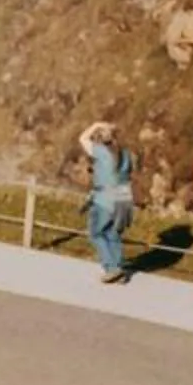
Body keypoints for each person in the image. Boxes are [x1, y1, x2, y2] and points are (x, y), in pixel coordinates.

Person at [80, 121, 136, 283]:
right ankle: (119, 267)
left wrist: (95, 124)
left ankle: (111, 268)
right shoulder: (125, 154)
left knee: (96, 233)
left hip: (104, 199)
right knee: (112, 233)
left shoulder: (101, 152)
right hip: (123, 199)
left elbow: (82, 138)